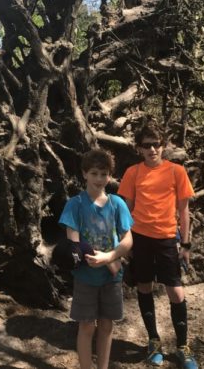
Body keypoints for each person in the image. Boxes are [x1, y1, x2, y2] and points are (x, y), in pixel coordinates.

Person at [117, 123, 198, 368]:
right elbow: (127, 210)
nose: (152, 149)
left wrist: (185, 245)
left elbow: (184, 212)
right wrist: (126, 242)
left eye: (156, 144)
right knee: (144, 287)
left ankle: (183, 346)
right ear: (139, 149)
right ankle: (153, 341)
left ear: (163, 146)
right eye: (146, 145)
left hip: (166, 239)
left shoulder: (176, 171)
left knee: (176, 291)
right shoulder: (132, 172)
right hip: (140, 238)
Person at [59, 149, 133, 369]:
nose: (99, 179)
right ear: (84, 174)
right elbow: (73, 240)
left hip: (111, 277)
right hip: (85, 277)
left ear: (109, 176)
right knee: (87, 326)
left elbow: (127, 239)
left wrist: (110, 256)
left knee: (107, 325)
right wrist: (86, 256)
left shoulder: (117, 204)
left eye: (103, 174)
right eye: (94, 173)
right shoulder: (75, 204)